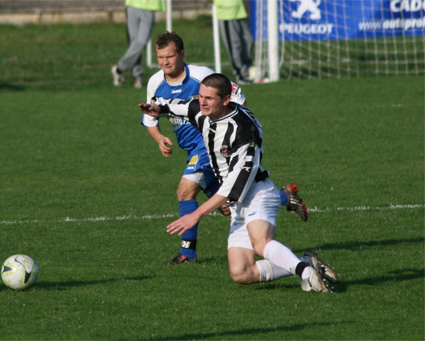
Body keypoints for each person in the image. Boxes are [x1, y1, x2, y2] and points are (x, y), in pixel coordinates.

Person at [139, 73, 338, 291]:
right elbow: (181, 106)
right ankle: (306, 261)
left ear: (226, 100)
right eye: (201, 96)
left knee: (260, 242)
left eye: (209, 98)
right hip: (237, 203)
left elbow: (232, 187)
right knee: (241, 272)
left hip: (256, 193)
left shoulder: (244, 133)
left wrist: (196, 215)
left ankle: (308, 275)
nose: (202, 102)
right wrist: (159, 108)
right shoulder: (203, 109)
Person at [141, 32, 308, 264]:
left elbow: (235, 97)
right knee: (227, 206)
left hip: (211, 145)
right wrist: (159, 138)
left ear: (182, 55)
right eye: (160, 57)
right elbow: (152, 116)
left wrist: (235, 131)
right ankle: (283, 197)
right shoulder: (155, 82)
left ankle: (187, 254)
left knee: (185, 190)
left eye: (169, 56)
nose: (164, 62)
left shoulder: (202, 76)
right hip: (192, 150)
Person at [111, 0, 165, 89]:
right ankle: (137, 76)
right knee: (134, 43)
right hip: (132, 4)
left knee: (141, 42)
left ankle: (119, 69)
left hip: (150, 6)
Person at [213, 0, 254, 84]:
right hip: (227, 14)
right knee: (235, 46)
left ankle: (249, 70)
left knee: (248, 41)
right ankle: (241, 75)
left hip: (240, 12)